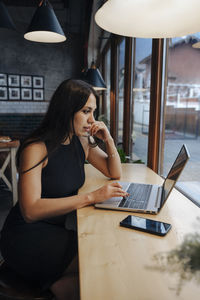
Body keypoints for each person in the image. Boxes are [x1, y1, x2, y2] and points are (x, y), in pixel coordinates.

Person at [0, 79, 128, 300]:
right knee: (100, 260)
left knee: (100, 260)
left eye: (94, 112)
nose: (92, 120)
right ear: (67, 109)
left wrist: (108, 139)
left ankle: (56, 289)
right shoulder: (37, 147)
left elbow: (113, 171)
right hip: (25, 236)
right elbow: (30, 211)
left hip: (55, 230)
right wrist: (91, 197)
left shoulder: (81, 142)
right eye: (85, 111)